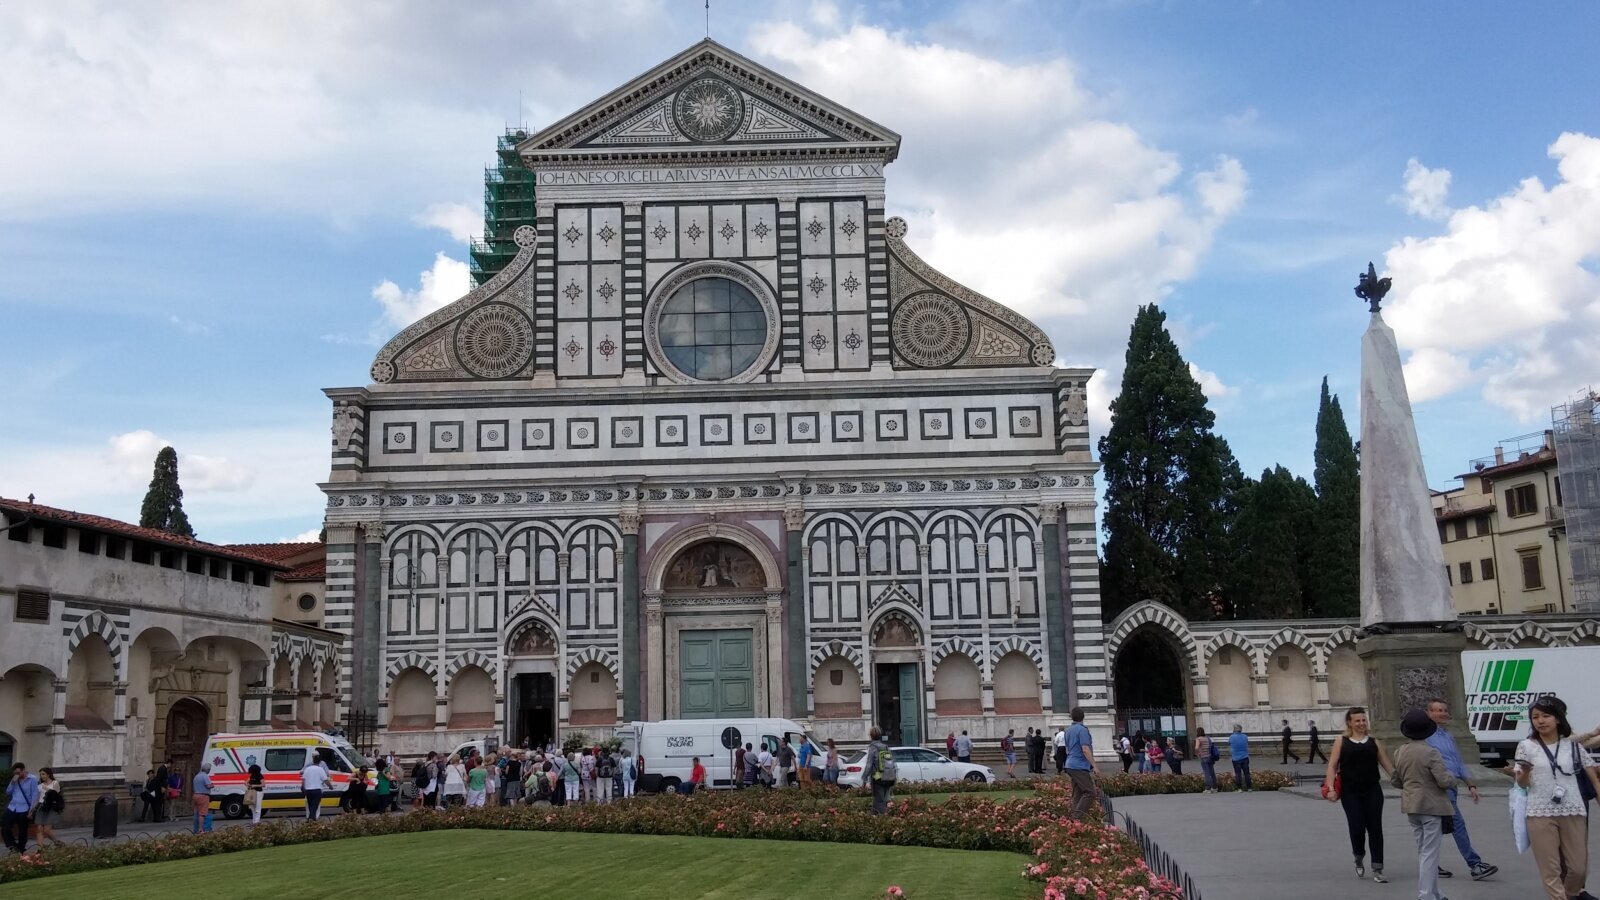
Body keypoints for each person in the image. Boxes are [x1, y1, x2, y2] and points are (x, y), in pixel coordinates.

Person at [1513, 696, 1600, 900]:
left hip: (1573, 810)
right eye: (1535, 717)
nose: (1540, 721)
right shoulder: (1526, 746)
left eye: (1546, 716)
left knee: (1578, 869)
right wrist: (1524, 772)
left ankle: (1570, 895)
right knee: (1550, 870)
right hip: (1539, 812)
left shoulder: (1573, 747)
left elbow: (1595, 781)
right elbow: (1522, 784)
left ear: (1558, 719)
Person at [1424, 698, 1498, 881]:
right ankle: (1474, 865)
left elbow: (1458, 761)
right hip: (1440, 788)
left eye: (1444, 710)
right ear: (1429, 713)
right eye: (1437, 710)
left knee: (1437, 828)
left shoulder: (1447, 736)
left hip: (1453, 786)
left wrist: (1470, 784)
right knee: (1457, 824)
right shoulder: (1426, 738)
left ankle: (1430, 865)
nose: (1442, 713)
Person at [1391, 709, 1456, 900]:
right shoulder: (1431, 753)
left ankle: (1435, 892)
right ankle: (1425, 894)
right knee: (1430, 853)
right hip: (1431, 806)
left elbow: (1396, 780)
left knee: (1424, 852)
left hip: (1411, 806)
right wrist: (1453, 778)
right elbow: (1444, 781)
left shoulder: (1400, 751)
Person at [1323, 706, 1392, 883]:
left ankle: (1378, 867)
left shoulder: (1374, 742)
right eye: (1358, 721)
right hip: (1350, 790)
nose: (1361, 723)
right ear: (1350, 723)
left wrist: (1404, 782)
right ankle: (1358, 856)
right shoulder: (1341, 741)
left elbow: (1387, 766)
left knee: (1375, 828)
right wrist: (1330, 788)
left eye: (1363, 720)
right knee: (1357, 826)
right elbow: (1332, 766)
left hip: (1372, 790)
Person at [1064, 707, 1098, 820]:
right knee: (1090, 792)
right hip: (1079, 765)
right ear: (1083, 717)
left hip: (1070, 764)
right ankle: (1076, 817)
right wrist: (1094, 765)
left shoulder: (1068, 730)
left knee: (1077, 794)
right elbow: (1085, 749)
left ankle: (1074, 821)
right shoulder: (1082, 730)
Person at [4, 763, 37, 855]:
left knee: (23, 830)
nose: (17, 775)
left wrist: (31, 810)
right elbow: (8, 792)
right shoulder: (15, 779)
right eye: (15, 773)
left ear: (23, 770)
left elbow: (34, 795)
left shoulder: (32, 779)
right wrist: (12, 782)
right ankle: (12, 846)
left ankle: (21, 849)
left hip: (24, 808)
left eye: (18, 773)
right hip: (12, 806)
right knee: (5, 827)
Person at [863, 726, 894, 814]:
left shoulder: (873, 748)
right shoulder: (886, 746)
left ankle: (882, 820)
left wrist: (864, 778)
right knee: (885, 799)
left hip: (877, 777)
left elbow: (869, 765)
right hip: (888, 776)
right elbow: (891, 761)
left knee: (879, 800)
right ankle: (877, 816)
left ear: (871, 736)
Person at [30, 768, 64, 847]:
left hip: (51, 807)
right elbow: (37, 799)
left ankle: (56, 842)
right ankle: (40, 847)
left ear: (48, 774)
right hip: (41, 806)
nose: (42, 776)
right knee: (39, 828)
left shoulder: (55, 783)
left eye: (43, 774)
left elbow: (56, 794)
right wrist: (31, 810)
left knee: (46, 830)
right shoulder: (39, 786)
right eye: (41, 774)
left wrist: (47, 789)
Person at [301, 754, 329, 820]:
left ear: (313, 760)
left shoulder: (307, 769)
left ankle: (310, 819)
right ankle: (312, 819)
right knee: (315, 805)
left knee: (310, 805)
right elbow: (325, 780)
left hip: (308, 791)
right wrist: (330, 787)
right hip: (317, 790)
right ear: (319, 762)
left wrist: (303, 788)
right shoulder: (320, 769)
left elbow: (303, 780)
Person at [192, 762, 215, 833]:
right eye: (209, 769)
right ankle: (201, 829)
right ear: (207, 769)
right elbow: (208, 785)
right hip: (203, 796)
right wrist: (212, 785)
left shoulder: (197, 776)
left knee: (196, 813)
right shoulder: (205, 776)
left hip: (195, 795)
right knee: (202, 813)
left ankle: (195, 828)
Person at [1228, 724, 1253, 791]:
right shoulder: (1245, 736)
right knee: (1247, 773)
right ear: (1241, 729)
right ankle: (1249, 788)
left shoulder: (1231, 737)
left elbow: (1229, 743)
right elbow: (1247, 742)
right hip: (1245, 757)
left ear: (1234, 729)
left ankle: (1239, 788)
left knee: (1238, 773)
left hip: (1236, 758)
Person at [1194, 728, 1218, 792]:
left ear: (1197, 732)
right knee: (1212, 772)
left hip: (1203, 757)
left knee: (1206, 773)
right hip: (1210, 757)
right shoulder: (1207, 738)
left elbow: (1196, 747)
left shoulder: (1198, 739)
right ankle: (1215, 787)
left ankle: (1208, 788)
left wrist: (1197, 754)